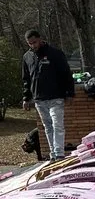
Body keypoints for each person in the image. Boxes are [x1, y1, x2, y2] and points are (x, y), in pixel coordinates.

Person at [21, 31, 75, 162]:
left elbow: (66, 74)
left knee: (57, 125)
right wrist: (26, 98)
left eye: (34, 42)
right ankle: (53, 153)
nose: (33, 45)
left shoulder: (54, 54)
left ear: (40, 39)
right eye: (30, 43)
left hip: (56, 97)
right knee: (48, 127)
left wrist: (69, 93)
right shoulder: (27, 57)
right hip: (39, 98)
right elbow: (26, 79)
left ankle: (59, 153)